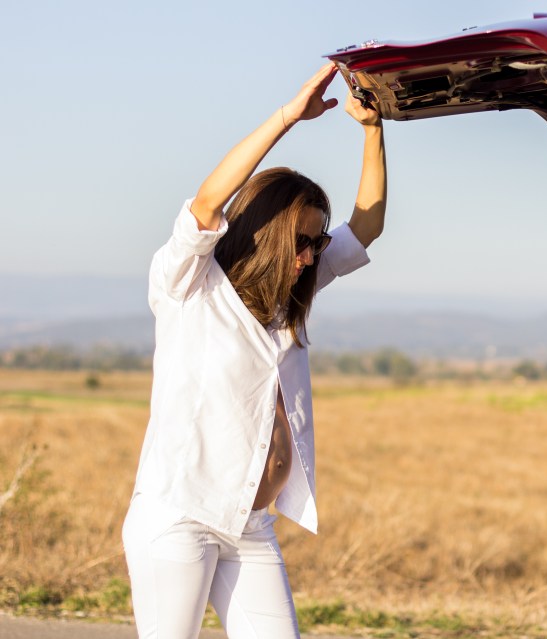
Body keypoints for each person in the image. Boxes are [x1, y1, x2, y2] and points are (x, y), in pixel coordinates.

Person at [121, 63, 386, 639]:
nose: (314, 254)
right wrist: (289, 116)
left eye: (319, 241)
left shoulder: (292, 296)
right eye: (304, 240)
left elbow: (365, 228)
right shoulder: (190, 285)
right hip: (179, 519)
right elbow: (209, 203)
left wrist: (372, 132)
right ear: (267, 233)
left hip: (251, 524)